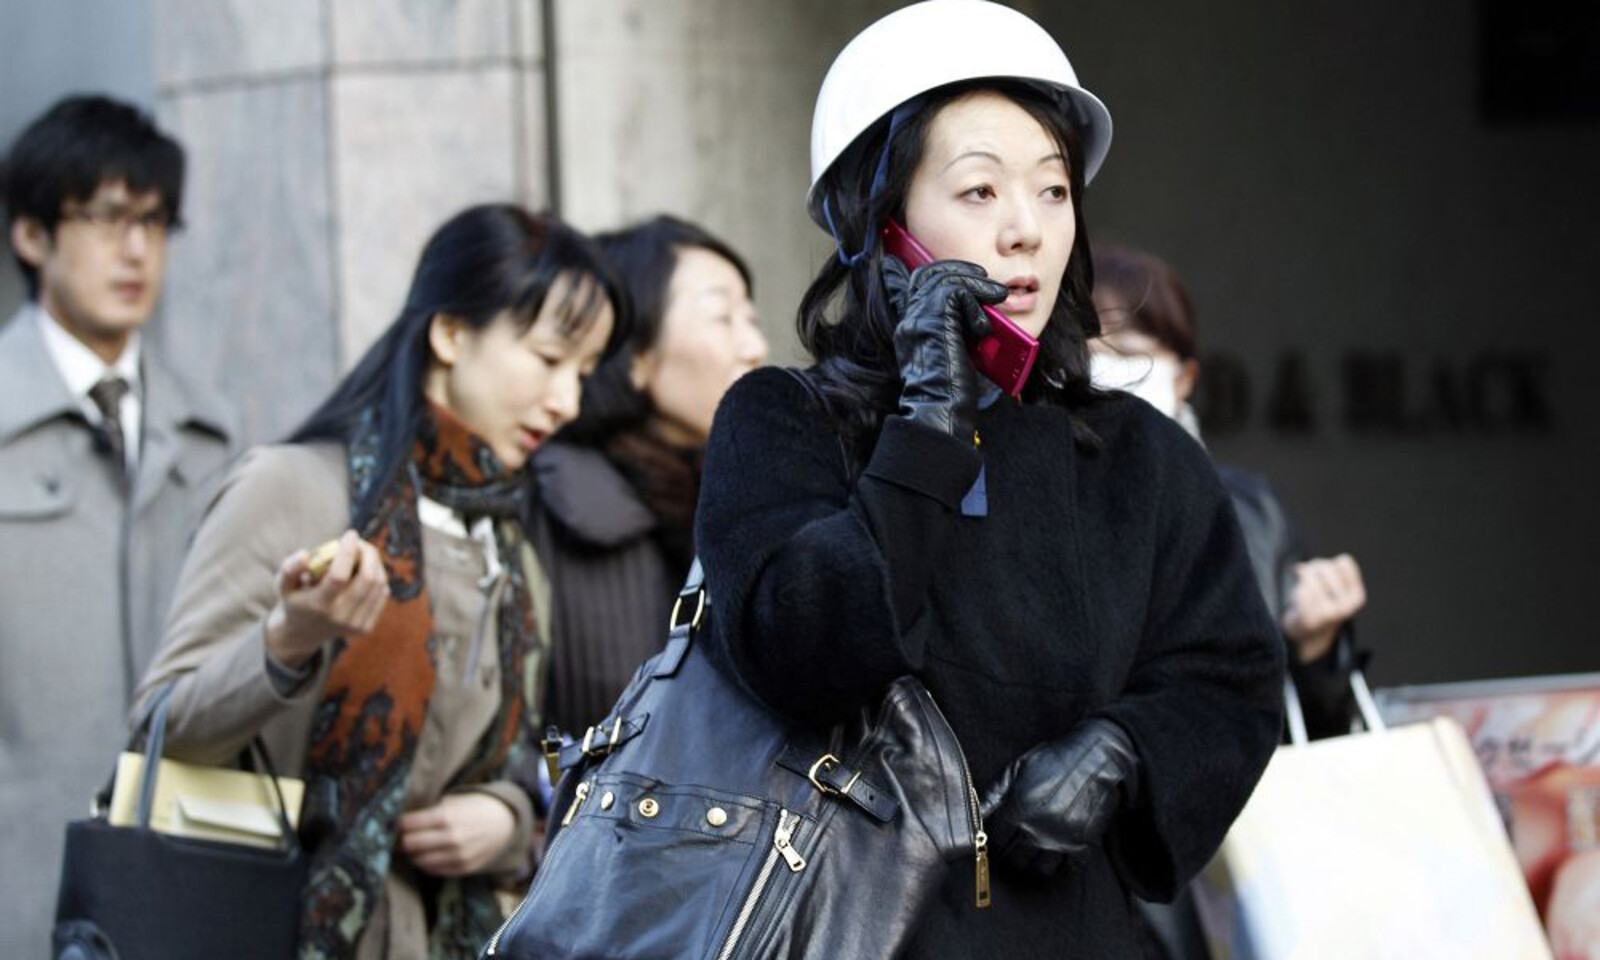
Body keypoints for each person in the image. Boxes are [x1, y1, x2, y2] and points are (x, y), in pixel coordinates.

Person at [693, 3, 1285, 957]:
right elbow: (799, 650)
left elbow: (1232, 677)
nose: (1025, 232)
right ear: (879, 222)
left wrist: (1126, 750)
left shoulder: (1136, 451)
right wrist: (931, 422)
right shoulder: (783, 420)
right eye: (978, 192)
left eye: (1053, 193)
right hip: (846, 931)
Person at [133, 204, 622, 960]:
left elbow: (524, 753)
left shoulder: (511, 542)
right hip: (271, 925)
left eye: (584, 374)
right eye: (549, 359)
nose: (568, 402)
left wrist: (507, 817)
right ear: (451, 333)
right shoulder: (293, 490)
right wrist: (287, 641)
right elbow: (159, 730)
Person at [0, 94, 236, 957]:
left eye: (153, 221)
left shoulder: (211, 435)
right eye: (105, 218)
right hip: (21, 891)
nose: (136, 249)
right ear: (32, 236)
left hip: (185, 891)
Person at [1088, 242, 1370, 740]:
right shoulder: (1027, 499)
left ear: (1184, 378)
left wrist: (1316, 647)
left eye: (1127, 353)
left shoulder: (1250, 512)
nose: (1100, 370)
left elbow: (1319, 731)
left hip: (1240, 811)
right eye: (1082, 351)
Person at [531, 214, 768, 734]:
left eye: (751, 319)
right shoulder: (549, 500)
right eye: (722, 318)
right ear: (633, 352)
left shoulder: (751, 498)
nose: (754, 347)